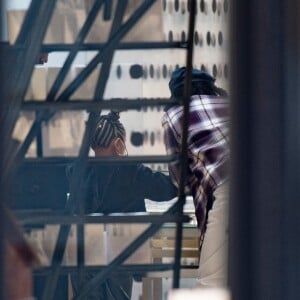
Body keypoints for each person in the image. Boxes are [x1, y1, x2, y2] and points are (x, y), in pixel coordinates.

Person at [69, 111, 177, 299]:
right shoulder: (130, 171)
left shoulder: (78, 171)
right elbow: (167, 190)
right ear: (118, 143)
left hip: (84, 258)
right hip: (122, 254)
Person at [162, 67, 230, 286]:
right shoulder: (230, 105)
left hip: (229, 192)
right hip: (270, 184)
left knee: (211, 282)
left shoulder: (174, 114)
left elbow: (178, 179)